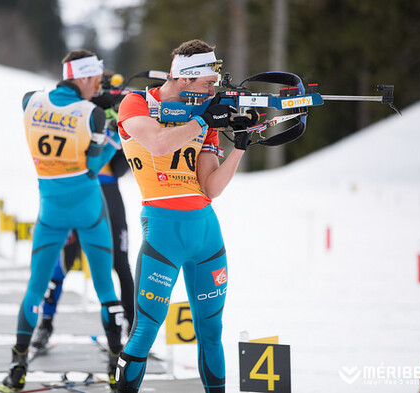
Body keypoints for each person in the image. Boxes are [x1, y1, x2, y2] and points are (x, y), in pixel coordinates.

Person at [113, 39, 258, 393]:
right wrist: (203, 118)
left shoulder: (203, 114)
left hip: (206, 231)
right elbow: (159, 144)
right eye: (209, 82)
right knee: (146, 330)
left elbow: (210, 187)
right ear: (184, 79)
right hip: (163, 230)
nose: (214, 88)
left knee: (211, 333)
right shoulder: (137, 103)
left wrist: (239, 146)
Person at [3, 49, 124, 391]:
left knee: (34, 288)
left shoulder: (30, 101)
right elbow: (93, 166)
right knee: (104, 288)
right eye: (96, 82)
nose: (97, 89)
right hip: (87, 206)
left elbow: (46, 106)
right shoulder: (92, 115)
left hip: (51, 207)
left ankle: (17, 364)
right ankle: (117, 365)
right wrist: (113, 134)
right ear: (83, 77)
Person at [32, 150, 135, 350]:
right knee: (62, 263)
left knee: (121, 265)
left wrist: (121, 141)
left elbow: (119, 168)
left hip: (108, 193)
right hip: (78, 193)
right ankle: (45, 324)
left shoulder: (116, 120)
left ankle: (132, 328)